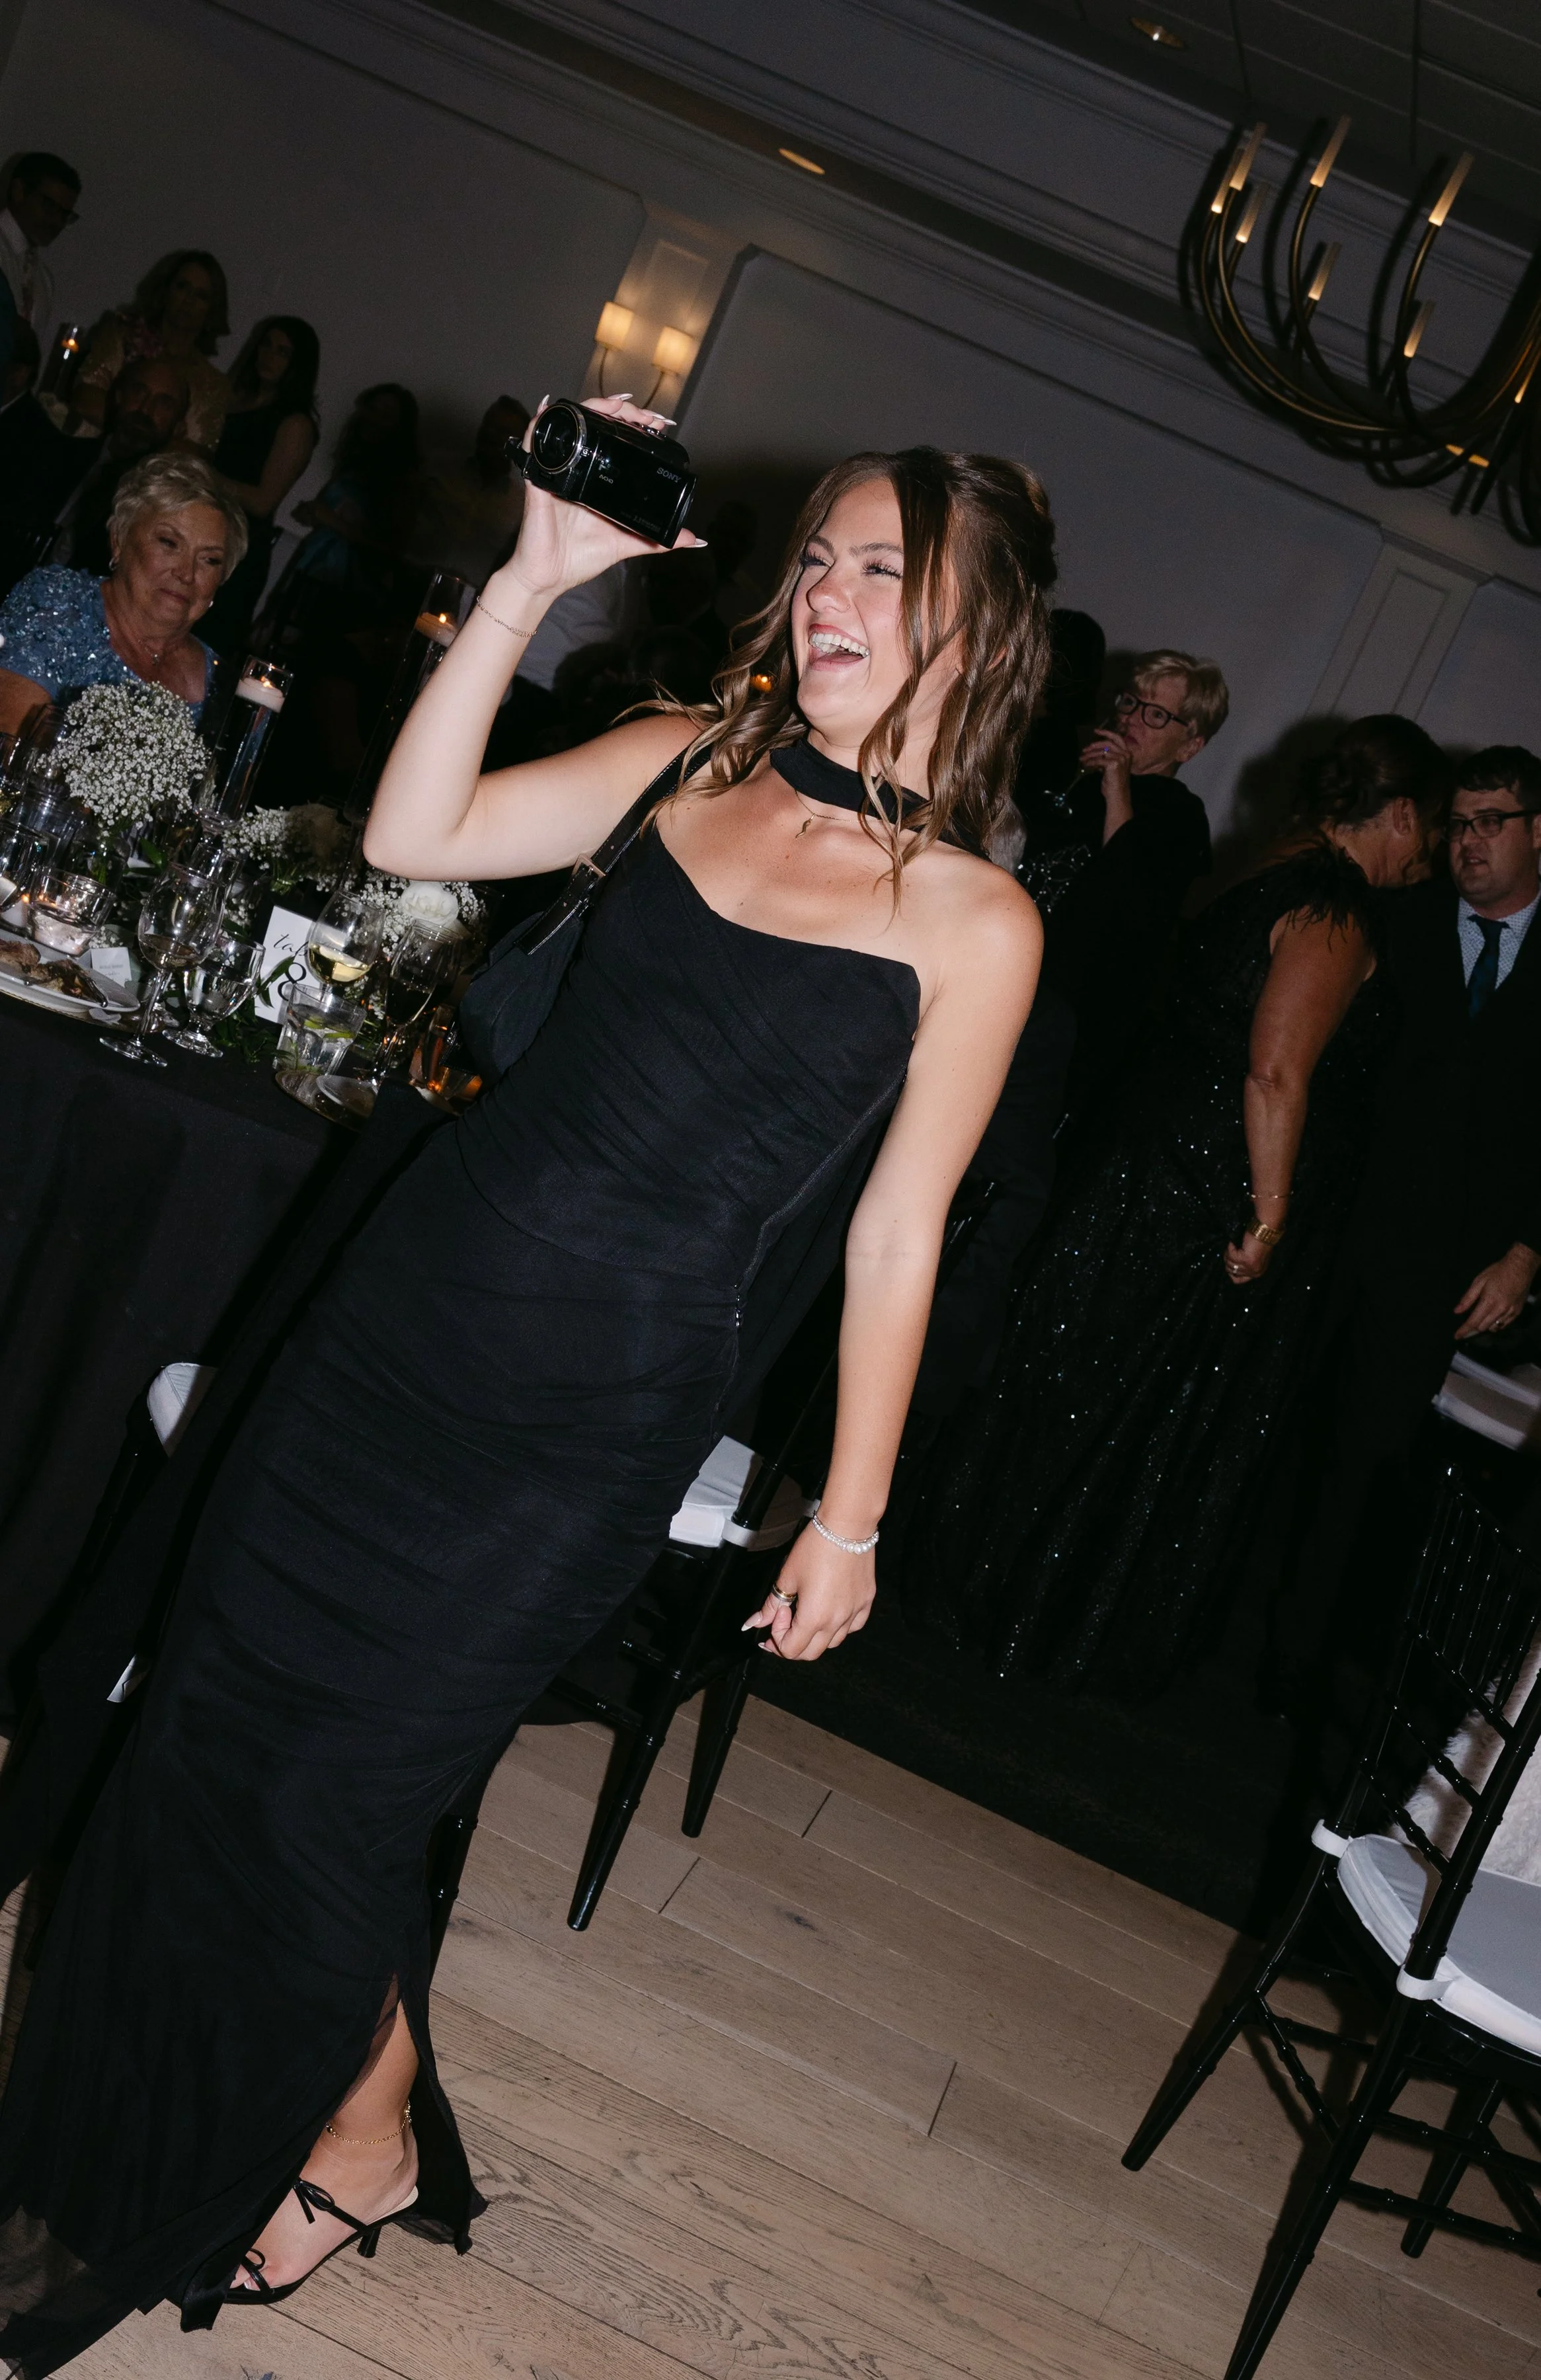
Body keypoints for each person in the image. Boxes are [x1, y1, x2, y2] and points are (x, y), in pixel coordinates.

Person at [0, 412, 1052, 2369]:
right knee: (217, 1731)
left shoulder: (977, 922)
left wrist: (852, 1513)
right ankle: (251, 2120)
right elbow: (413, 837)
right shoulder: (688, 761)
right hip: (398, 1327)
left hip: (585, 1425)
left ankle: (369, 2125)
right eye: (814, 558)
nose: (826, 594)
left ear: (980, 625)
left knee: (336, 1796)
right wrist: (530, 587)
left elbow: (899, 1237)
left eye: (880, 571)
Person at [903, 713, 1453, 1698]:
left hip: (1149, 1163)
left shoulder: (1269, 865)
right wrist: (1271, 1218)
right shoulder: (1332, 908)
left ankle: (975, 1585)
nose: (1435, 854)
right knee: (1129, 1411)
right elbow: (1275, 1073)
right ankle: (1035, 1616)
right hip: (1206, 1196)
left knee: (1077, 1382)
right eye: (1435, 827)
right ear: (1402, 816)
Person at [1269, 744, 1541, 1706]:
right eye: (1455, 824)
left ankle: (1293, 1660)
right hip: (1336, 1218)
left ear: (1536, 831)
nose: (1465, 842)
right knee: (1278, 1415)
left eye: (1489, 823)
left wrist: (1523, 1254)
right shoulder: (1398, 917)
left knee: (1369, 1451)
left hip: (1450, 1260)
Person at [1021, 647, 1224, 1119]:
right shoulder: (1068, 769)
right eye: (1130, 702)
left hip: (1064, 1015)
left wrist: (1118, 790)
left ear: (1190, 745)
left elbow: (1128, 902)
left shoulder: (1180, 817)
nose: (1132, 718)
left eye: (1155, 714)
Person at [0, 450, 245, 731]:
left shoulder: (222, 687)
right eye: (168, 543)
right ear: (119, 540)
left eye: (210, 560)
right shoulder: (58, 603)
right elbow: (11, 741)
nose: (187, 574)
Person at [200, 315, 321, 655]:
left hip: (237, 548)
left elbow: (263, 500)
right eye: (266, 345)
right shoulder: (234, 398)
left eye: (282, 352)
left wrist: (198, 472)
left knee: (205, 647)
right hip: (200, 529)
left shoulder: (295, 424)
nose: (268, 356)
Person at [73, 249, 231, 450]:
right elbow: (85, 399)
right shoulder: (123, 334)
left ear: (212, 309)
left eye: (201, 296)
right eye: (183, 287)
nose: (189, 300)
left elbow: (196, 453)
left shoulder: (213, 385)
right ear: (165, 291)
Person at [50, 354, 192, 574]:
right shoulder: (59, 453)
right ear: (118, 398)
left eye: (163, 404)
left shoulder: (162, 506)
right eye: (139, 393)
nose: (145, 409)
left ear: (179, 427)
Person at [413, 392, 529, 586]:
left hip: (467, 601)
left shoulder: (521, 505)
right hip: (411, 581)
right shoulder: (437, 467)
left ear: (518, 445)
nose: (490, 434)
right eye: (488, 424)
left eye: (502, 431)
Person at [0, 151, 81, 335]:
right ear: (19, 191)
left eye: (64, 214)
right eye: (49, 206)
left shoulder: (43, 280)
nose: (57, 222)